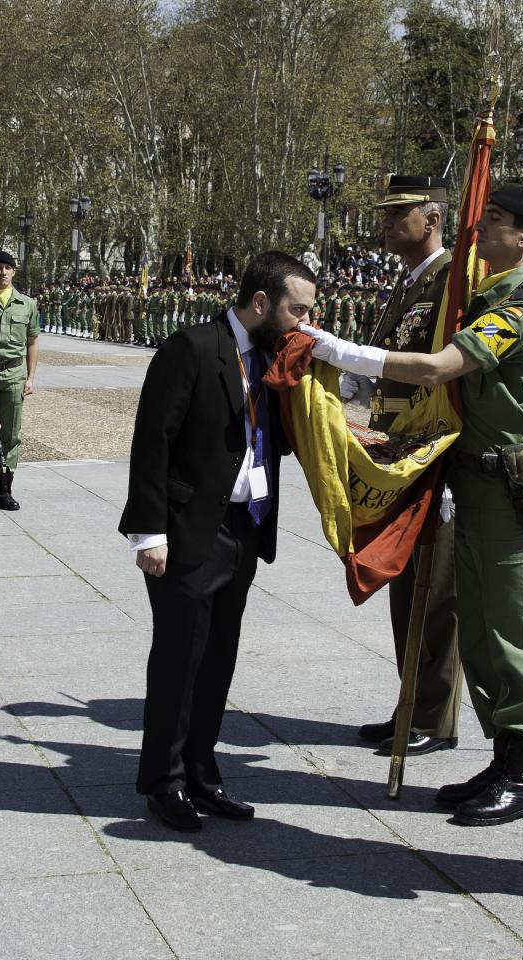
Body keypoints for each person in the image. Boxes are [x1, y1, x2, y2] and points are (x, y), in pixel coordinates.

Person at [302, 184, 523, 828]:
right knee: (479, 630)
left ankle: (522, 772)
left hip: (508, 489)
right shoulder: (484, 298)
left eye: (495, 222)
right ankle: (503, 759)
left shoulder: (520, 307)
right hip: (472, 478)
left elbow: (437, 370)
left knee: (511, 631)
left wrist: (334, 350)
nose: (480, 233)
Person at [120, 250, 310, 833]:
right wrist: (149, 533)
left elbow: (274, 439)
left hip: (243, 528)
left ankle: (202, 771)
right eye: (297, 309)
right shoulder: (192, 348)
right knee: (180, 659)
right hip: (186, 532)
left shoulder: (275, 357)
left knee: (218, 658)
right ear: (261, 304)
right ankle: (164, 781)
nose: (307, 320)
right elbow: (153, 440)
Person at [342, 174, 462, 759]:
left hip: (431, 448)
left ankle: (433, 716)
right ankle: (408, 703)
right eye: (385, 214)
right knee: (406, 580)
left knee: (435, 591)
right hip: (397, 450)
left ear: (432, 218)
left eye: (399, 214)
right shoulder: (411, 282)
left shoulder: (451, 282)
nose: (386, 224)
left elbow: (445, 370)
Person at [0, 251, 41, 512]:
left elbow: (32, 341)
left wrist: (31, 376)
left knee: (11, 435)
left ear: (14, 272)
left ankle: (4, 491)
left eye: (7, 268)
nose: (3, 272)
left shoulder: (27, 304)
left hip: (13, 375)